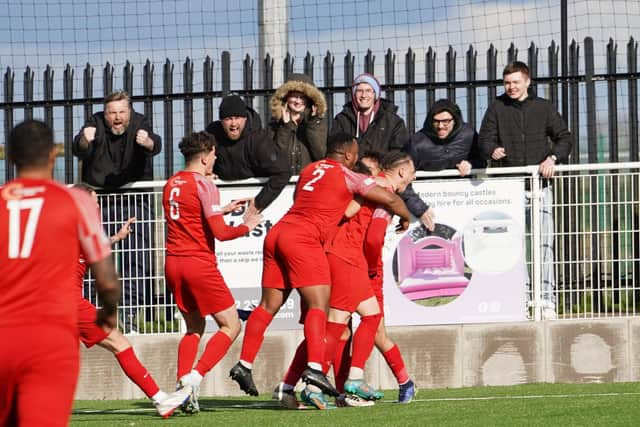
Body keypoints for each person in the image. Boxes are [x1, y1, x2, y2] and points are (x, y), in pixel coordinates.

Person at [229, 132, 412, 403]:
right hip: (321, 248)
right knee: (326, 315)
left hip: (279, 233)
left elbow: (311, 202)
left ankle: (246, 365)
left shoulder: (308, 170)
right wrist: (406, 216)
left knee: (269, 306)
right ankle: (321, 377)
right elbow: (386, 206)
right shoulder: (357, 180)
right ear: (349, 155)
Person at [273, 152, 419, 410]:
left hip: (327, 256)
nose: (413, 178)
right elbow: (374, 237)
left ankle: (328, 385)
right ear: (400, 172)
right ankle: (329, 385)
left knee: (357, 322)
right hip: (349, 260)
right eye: (411, 173)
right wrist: (372, 268)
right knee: (337, 328)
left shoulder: (363, 186)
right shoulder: (384, 193)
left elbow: (345, 212)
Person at [0, 119, 121, 427]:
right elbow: (106, 276)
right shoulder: (76, 201)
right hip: (50, 341)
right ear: (54, 154)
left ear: (11, 157)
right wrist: (108, 311)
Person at [163, 131, 263, 414]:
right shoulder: (204, 185)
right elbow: (219, 232)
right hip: (198, 264)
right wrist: (247, 224)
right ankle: (194, 380)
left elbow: (192, 218)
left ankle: (183, 381)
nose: (215, 160)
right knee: (232, 325)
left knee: (194, 328)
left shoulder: (171, 184)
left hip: (173, 263)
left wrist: (223, 208)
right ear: (205, 156)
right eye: (214, 156)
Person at [73, 183, 191, 418]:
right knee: (120, 344)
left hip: (45, 303)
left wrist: (116, 237)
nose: (98, 207)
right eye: (94, 202)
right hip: (68, 302)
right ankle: (160, 400)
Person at [478, 61, 573, 320]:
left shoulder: (543, 107)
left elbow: (564, 137)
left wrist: (552, 158)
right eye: (507, 82)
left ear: (527, 82)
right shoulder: (497, 107)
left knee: (544, 244)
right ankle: (519, 300)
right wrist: (491, 150)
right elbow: (484, 138)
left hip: (539, 186)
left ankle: (546, 301)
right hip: (509, 187)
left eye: (515, 82)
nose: (511, 87)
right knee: (513, 245)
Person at [72, 90, 162, 333]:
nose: (118, 117)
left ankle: (130, 315)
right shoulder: (95, 122)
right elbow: (78, 148)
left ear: (130, 113)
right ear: (106, 113)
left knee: (138, 256)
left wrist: (148, 142)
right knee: (97, 256)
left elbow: (156, 144)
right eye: (113, 113)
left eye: (122, 112)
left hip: (135, 197)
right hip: (100, 198)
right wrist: (84, 139)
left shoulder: (140, 122)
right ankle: (93, 313)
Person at [205, 94, 291, 214]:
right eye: (228, 119)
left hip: (259, 209)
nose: (233, 123)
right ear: (221, 122)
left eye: (237, 118)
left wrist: (258, 203)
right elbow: (195, 161)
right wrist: (204, 174)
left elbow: (283, 171)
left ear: (245, 118)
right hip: (225, 206)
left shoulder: (258, 140)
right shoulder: (212, 137)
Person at [332, 73, 409, 155]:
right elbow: (335, 150)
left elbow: (398, 155)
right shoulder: (342, 120)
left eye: (368, 90)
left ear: (375, 94)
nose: (364, 95)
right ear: (354, 94)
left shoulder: (394, 122)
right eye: (359, 91)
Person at [404, 98, 486, 176]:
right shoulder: (416, 143)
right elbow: (404, 173)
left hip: (465, 189)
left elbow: (482, 161)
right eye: (436, 121)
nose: (440, 126)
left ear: (455, 120)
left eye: (445, 121)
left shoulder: (469, 134)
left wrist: (470, 164)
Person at [270, 73, 328, 175]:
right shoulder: (275, 123)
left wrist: (312, 125)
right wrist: (285, 127)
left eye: (302, 97)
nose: (298, 101)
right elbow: (275, 157)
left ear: (309, 99)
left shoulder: (318, 123)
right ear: (286, 97)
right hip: (282, 183)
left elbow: (321, 155)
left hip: (309, 182)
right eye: (294, 96)